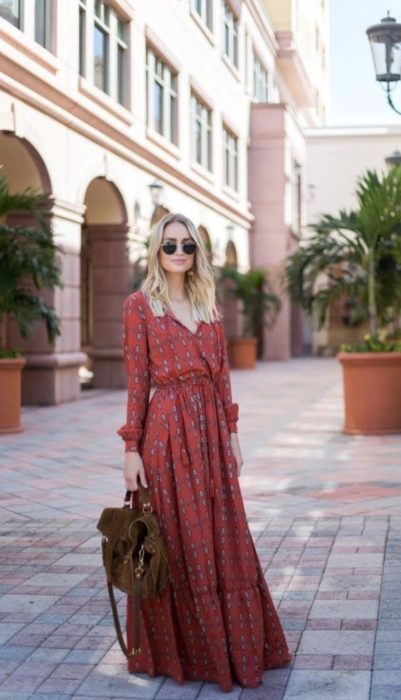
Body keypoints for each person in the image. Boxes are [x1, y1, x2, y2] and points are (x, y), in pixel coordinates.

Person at [117, 213, 291, 693]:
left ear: (197, 253)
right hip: (168, 433)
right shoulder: (139, 306)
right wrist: (132, 448)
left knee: (224, 537)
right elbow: (138, 383)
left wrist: (232, 434)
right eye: (169, 245)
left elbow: (222, 375)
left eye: (187, 246)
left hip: (211, 432)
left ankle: (235, 648)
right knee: (177, 539)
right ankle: (189, 654)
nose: (178, 252)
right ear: (156, 249)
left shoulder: (207, 304)